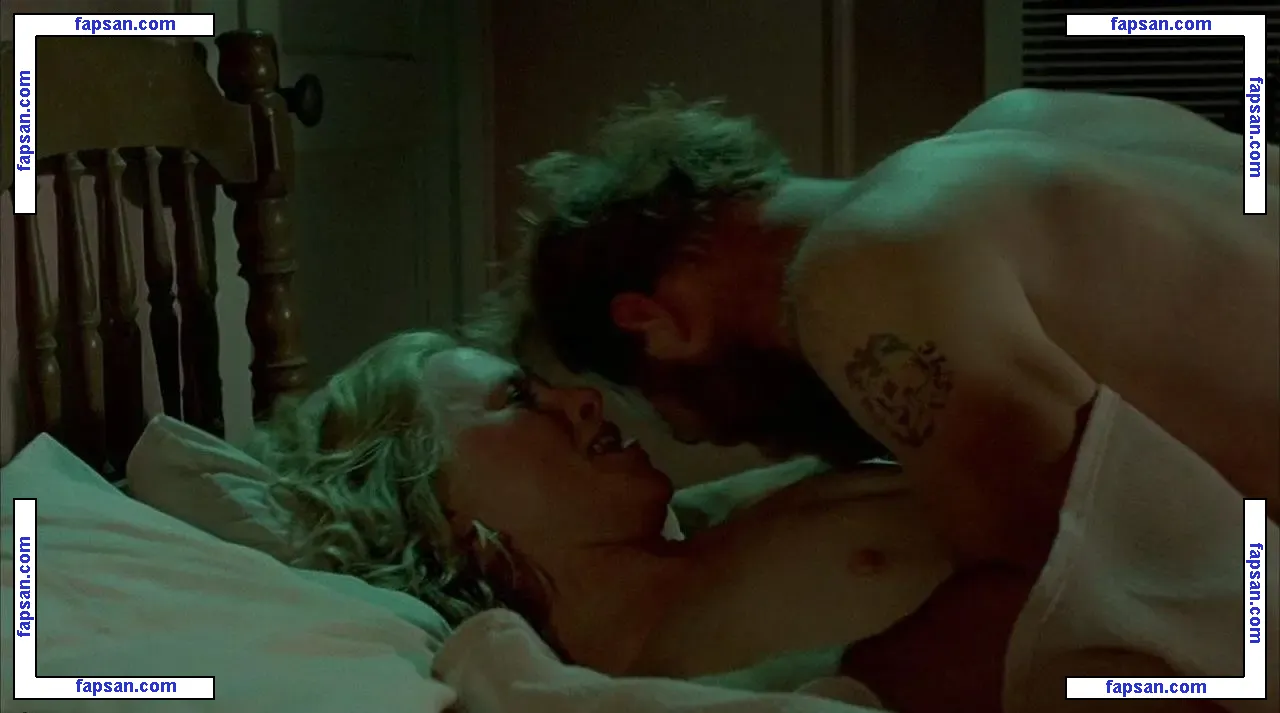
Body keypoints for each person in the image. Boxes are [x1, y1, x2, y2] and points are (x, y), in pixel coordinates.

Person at [491, 89, 1279, 712]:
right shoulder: (1026, 123)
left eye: (676, 411)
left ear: (654, 322)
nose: (732, 439)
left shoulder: (861, 274)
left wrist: (740, 693)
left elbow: (1060, 600)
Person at [247, 330, 958, 704]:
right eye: (518, 399)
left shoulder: (725, 515)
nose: (582, 398)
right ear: (443, 513)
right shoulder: (644, 690)